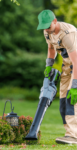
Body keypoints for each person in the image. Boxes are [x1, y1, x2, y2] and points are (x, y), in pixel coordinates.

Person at [37, 9, 77, 144]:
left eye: (48, 27)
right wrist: (49, 65)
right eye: (43, 27)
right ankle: (69, 133)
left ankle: (73, 136)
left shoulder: (67, 34)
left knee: (72, 99)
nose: (46, 30)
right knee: (63, 102)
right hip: (67, 66)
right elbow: (51, 48)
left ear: (55, 21)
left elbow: (76, 62)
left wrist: (75, 85)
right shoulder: (47, 31)